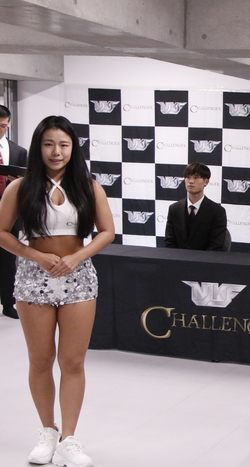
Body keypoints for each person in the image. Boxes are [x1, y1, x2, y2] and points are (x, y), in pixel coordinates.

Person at [0, 115, 114, 467]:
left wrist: (77, 257)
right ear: (38, 147)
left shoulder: (89, 187)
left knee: (73, 361)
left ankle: (69, 439)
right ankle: (47, 432)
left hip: (79, 280)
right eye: (48, 144)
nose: (56, 151)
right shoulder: (20, 188)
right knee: (40, 360)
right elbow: (1, 232)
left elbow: (107, 232)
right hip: (33, 279)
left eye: (63, 144)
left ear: (73, 148)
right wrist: (35, 255)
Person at [0, 104, 28, 319]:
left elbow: (27, 182)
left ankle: (8, 303)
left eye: (3, 126)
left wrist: (19, 180)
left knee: (8, 260)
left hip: (9, 213)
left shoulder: (18, 151)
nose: (1, 130)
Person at [164, 162, 228, 251]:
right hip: (177, 258)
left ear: (206, 182)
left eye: (196, 177)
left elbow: (216, 245)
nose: (191, 181)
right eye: (188, 177)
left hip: (205, 259)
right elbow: (170, 241)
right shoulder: (174, 209)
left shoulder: (217, 211)